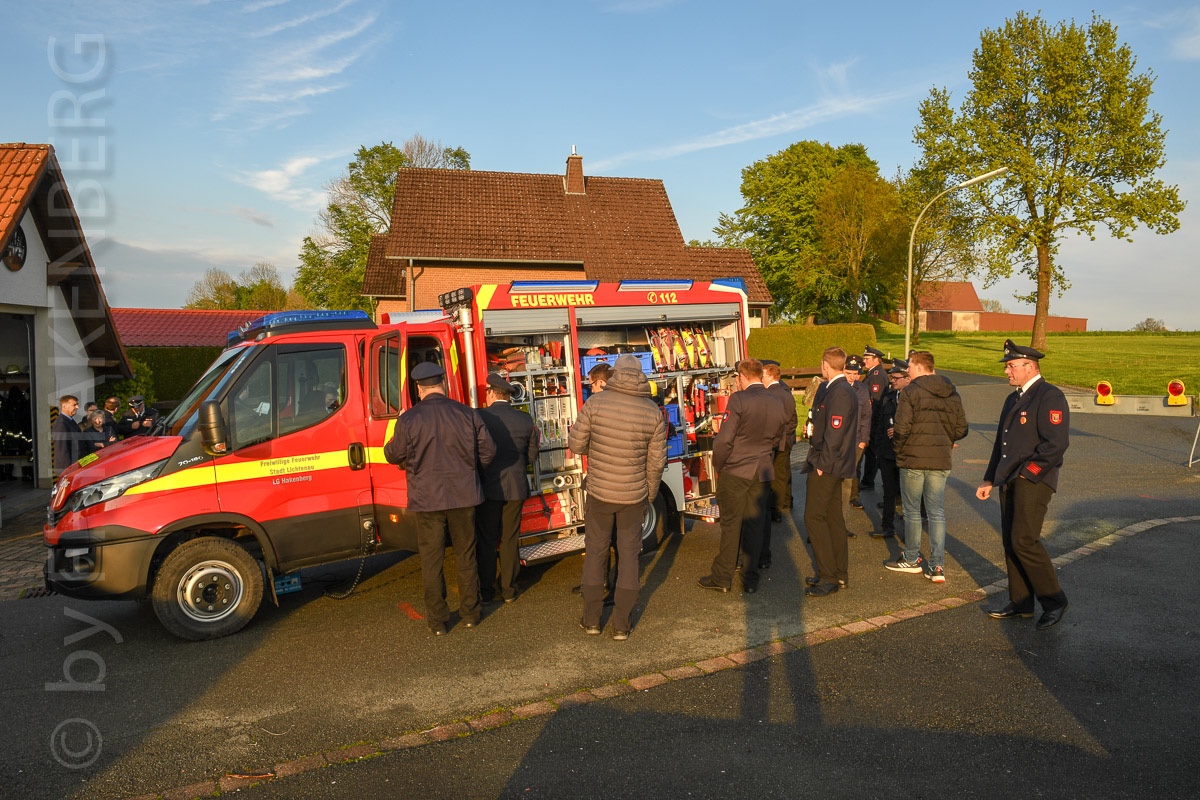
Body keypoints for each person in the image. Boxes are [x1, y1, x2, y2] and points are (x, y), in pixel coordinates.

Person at [384, 361, 496, 636]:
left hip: (427, 499)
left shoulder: (408, 419)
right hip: (464, 496)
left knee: (432, 560)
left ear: (419, 388)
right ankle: (470, 614)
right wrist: (472, 473)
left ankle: (438, 621)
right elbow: (488, 451)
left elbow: (393, 455)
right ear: (443, 384)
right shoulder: (467, 413)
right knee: (466, 555)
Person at [569, 353, 666, 640]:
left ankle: (591, 620)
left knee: (595, 554)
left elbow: (577, 445)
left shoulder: (595, 403)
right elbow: (656, 462)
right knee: (629, 557)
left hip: (600, 493)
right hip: (633, 497)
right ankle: (622, 625)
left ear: (616, 374)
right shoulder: (652, 411)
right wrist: (649, 493)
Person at [976, 339, 1071, 630]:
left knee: (1024, 541)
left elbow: (1056, 444)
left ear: (1030, 367)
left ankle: (1054, 601)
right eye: (1007, 366)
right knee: (1010, 541)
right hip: (1009, 479)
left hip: (1034, 480)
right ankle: (1021, 602)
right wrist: (990, 478)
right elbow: (1001, 445)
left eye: (1011, 366)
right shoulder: (1013, 398)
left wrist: (1028, 473)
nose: (1007, 371)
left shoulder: (1049, 395)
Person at [698, 359, 789, 595]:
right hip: (762, 468)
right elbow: (779, 436)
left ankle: (722, 576)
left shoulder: (739, 399)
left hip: (737, 469)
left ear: (742, 376)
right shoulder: (776, 400)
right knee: (755, 525)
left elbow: (724, 440)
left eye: (737, 377)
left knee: (731, 525)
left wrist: (719, 465)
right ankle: (750, 579)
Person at [886, 351, 968, 583]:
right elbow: (961, 428)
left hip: (913, 458)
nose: (907, 371)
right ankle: (937, 565)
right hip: (940, 458)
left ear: (920, 367)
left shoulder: (911, 391)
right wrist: (945, 440)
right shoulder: (951, 392)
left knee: (912, 511)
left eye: (910, 366)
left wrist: (899, 450)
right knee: (936, 511)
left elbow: (901, 428)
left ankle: (912, 558)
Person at [475, 373, 540, 604]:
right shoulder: (525, 419)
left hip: (488, 488)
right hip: (516, 486)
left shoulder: (479, 417)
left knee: (487, 539)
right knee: (510, 538)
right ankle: (509, 589)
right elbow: (531, 456)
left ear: (492, 393)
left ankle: (486, 590)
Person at [801, 347, 859, 597]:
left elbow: (836, 432)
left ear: (825, 364)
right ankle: (838, 572)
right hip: (832, 462)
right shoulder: (834, 388)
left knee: (813, 517)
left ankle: (828, 576)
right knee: (833, 517)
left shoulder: (841, 391)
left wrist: (822, 464)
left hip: (829, 463)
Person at [869, 360, 908, 540]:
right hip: (887, 452)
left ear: (907, 379)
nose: (892, 381)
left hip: (906, 453)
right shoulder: (889, 397)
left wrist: (899, 429)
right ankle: (887, 526)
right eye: (892, 377)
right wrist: (878, 448)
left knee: (908, 494)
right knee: (888, 491)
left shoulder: (913, 399)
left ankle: (909, 533)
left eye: (896, 378)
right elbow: (879, 423)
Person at [761, 361, 797, 530]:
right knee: (783, 472)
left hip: (777, 441)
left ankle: (776, 510)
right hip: (787, 439)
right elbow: (793, 419)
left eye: (763, 375)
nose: (761, 378)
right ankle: (786, 501)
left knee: (776, 476)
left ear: (770, 376)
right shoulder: (786, 392)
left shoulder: (770, 394)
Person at [841, 355, 872, 525]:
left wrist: (863, 440)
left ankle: (842, 519)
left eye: (856, 374)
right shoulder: (838, 387)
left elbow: (867, 416)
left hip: (856, 441)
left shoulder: (862, 389)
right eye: (849, 373)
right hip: (839, 441)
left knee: (848, 480)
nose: (852, 377)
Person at [859, 345, 888, 491]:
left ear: (876, 359)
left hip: (873, 420)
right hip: (872, 420)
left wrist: (871, 423)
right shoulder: (872, 373)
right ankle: (868, 479)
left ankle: (868, 480)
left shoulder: (876, 375)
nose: (865, 361)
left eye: (867, 358)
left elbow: (875, 402)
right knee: (871, 452)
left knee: (871, 453)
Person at [51, 394, 83, 474]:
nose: (77, 407)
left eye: (77, 404)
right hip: (68, 469)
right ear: (64, 406)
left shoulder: (69, 421)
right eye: (74, 405)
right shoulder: (61, 423)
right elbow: (62, 449)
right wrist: (67, 471)